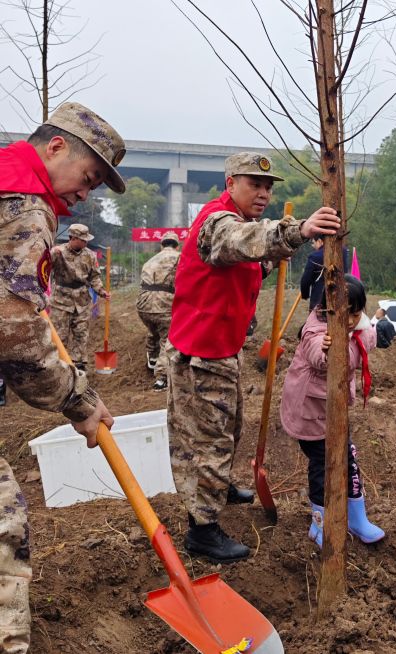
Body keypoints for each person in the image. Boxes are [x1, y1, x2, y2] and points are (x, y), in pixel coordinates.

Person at [167, 152, 341, 563]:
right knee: (208, 438)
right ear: (230, 184)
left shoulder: (240, 225)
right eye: (253, 185)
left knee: (229, 426)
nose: (263, 193)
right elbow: (238, 241)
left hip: (223, 348)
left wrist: (269, 262)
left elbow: (239, 262)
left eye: (267, 188)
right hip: (202, 352)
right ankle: (203, 530)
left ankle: (218, 487)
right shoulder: (217, 221)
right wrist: (296, 232)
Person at [0, 101, 124, 653]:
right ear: (55, 147)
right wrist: (79, 402)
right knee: (4, 535)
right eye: (88, 176)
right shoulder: (23, 207)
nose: (85, 193)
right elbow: (17, 335)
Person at [280, 274, 385, 548]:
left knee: (348, 459)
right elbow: (318, 355)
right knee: (322, 466)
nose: (351, 320)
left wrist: (364, 330)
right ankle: (320, 522)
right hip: (310, 412)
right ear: (328, 309)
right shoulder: (315, 330)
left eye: (357, 313)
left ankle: (356, 517)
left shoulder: (356, 323)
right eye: (346, 314)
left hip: (335, 409)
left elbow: (368, 336)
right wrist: (328, 346)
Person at [49, 223, 108, 371]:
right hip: (60, 300)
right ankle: (58, 365)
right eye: (82, 240)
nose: (85, 242)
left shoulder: (89, 255)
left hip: (82, 300)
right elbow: (43, 271)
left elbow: (94, 276)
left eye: (86, 240)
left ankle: (79, 365)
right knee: (59, 334)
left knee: (81, 333)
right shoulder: (57, 252)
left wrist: (101, 291)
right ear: (73, 238)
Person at [136, 230, 180, 391]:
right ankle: (161, 377)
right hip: (164, 303)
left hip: (143, 303)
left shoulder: (150, 260)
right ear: (177, 245)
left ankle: (152, 359)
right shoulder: (180, 258)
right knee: (167, 338)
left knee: (153, 329)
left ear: (162, 245)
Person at [300, 235, 349, 311]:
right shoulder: (344, 252)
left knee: (316, 322)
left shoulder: (314, 257)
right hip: (340, 299)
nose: (313, 246)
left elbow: (306, 280)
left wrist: (305, 294)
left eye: (313, 243)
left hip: (319, 300)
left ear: (320, 241)